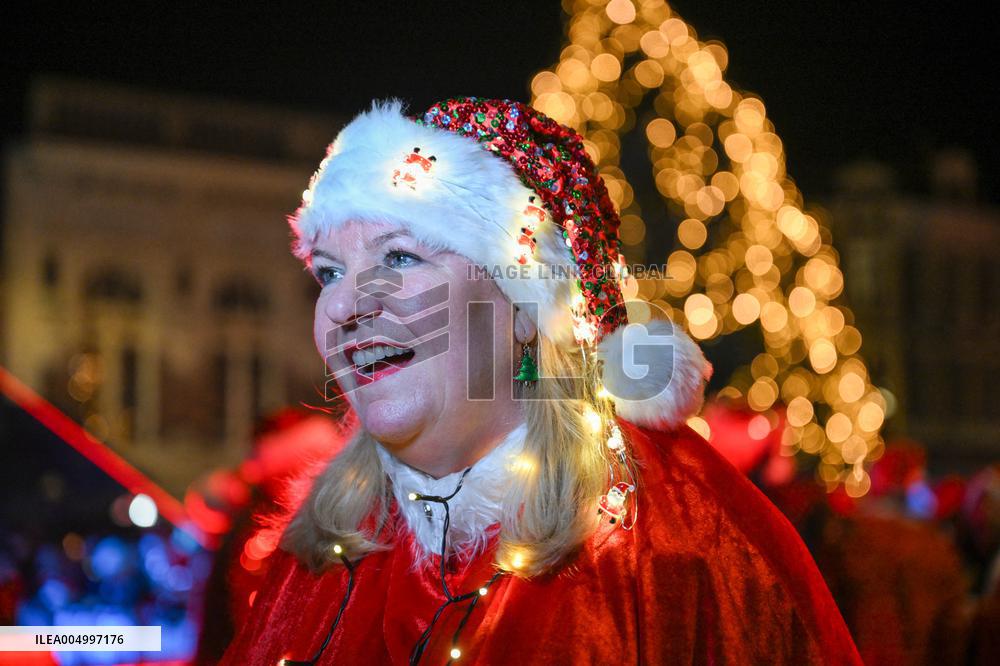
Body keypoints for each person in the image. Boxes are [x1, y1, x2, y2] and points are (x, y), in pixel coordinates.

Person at [221, 97, 862, 665]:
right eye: (329, 273)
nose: (343, 306)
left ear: (527, 309)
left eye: (399, 257)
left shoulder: (682, 538)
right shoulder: (317, 555)